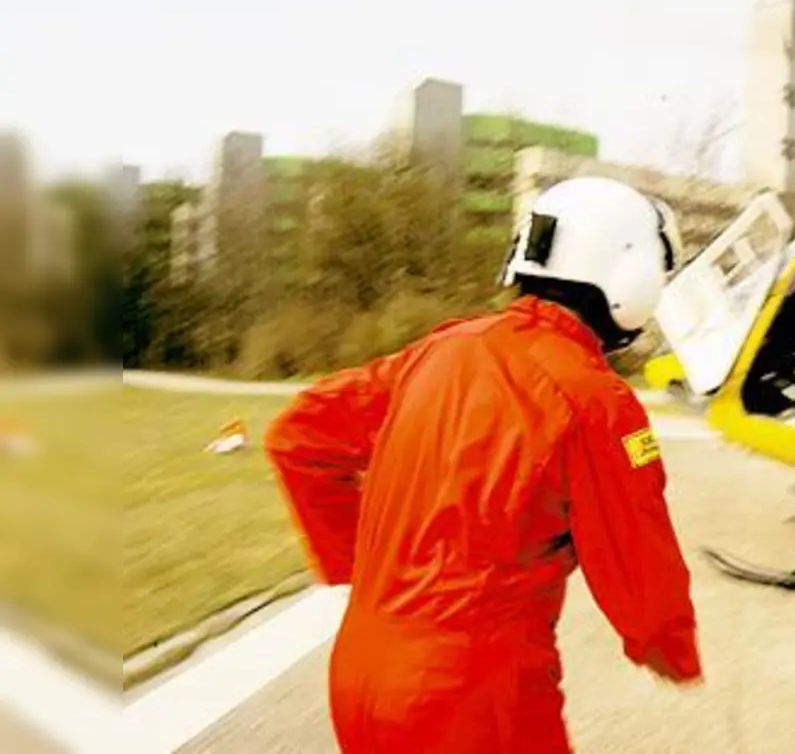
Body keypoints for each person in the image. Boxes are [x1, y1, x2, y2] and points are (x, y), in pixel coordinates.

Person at [264, 177, 703, 754]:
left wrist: (359, 566)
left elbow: (298, 436)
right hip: (476, 696)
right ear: (631, 275)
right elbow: (636, 549)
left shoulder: (439, 349)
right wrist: (669, 648)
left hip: (361, 677)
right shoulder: (595, 400)